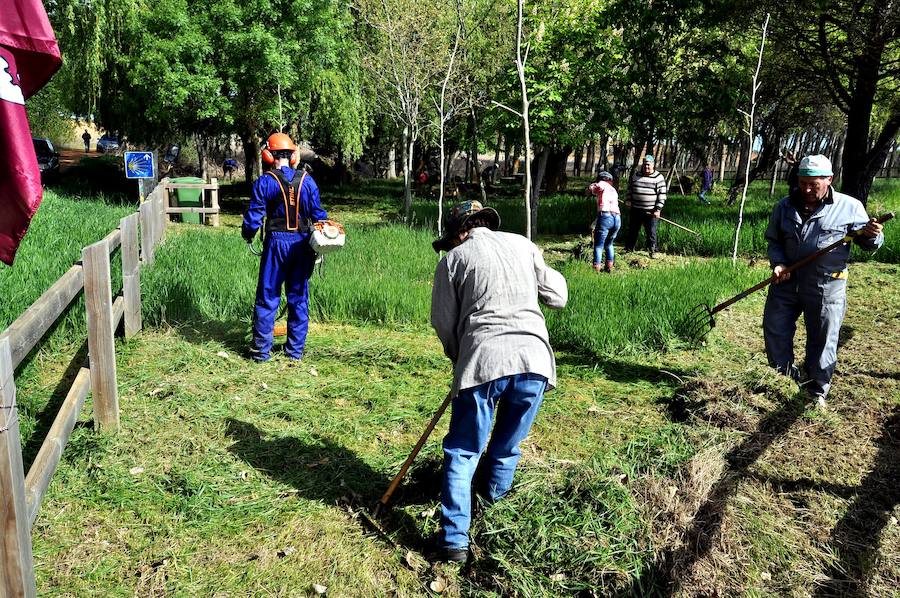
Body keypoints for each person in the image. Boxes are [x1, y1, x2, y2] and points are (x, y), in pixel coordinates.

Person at [430, 200, 568, 563]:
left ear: (460, 232)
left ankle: (454, 541)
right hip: (535, 361)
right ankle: (493, 518)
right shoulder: (524, 244)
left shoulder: (453, 260)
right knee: (506, 447)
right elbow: (558, 296)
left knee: (462, 451)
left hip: (484, 362)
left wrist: (459, 358)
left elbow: (444, 322)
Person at [763, 155, 883, 408]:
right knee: (775, 330)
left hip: (826, 285)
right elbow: (774, 241)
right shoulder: (784, 206)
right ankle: (782, 380)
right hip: (786, 282)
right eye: (802, 183)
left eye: (813, 184)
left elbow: (868, 244)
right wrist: (778, 263)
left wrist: (871, 236)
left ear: (829, 179)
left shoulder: (849, 206)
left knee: (823, 338)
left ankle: (816, 390)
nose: (806, 190)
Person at [241, 132, 328, 363]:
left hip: (276, 245)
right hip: (301, 244)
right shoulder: (307, 181)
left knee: (268, 296)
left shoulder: (265, 182)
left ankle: (261, 352)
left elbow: (252, 220)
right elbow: (319, 216)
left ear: (268, 155)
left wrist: (248, 234)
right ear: (292, 155)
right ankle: (294, 353)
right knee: (298, 297)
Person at [624, 154, 667, 258]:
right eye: (644, 165)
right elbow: (630, 189)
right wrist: (628, 200)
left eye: (648, 165)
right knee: (633, 230)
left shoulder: (658, 177)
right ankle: (629, 249)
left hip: (651, 211)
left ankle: (653, 251)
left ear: (653, 165)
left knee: (651, 232)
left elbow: (662, 195)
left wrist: (658, 209)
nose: (646, 167)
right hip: (636, 209)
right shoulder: (636, 175)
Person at [588, 171, 621, 272]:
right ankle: (609, 267)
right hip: (617, 218)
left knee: (598, 245)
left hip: (606, 217)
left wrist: (591, 187)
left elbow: (595, 188)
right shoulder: (613, 189)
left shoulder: (602, 184)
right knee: (609, 244)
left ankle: (596, 269)